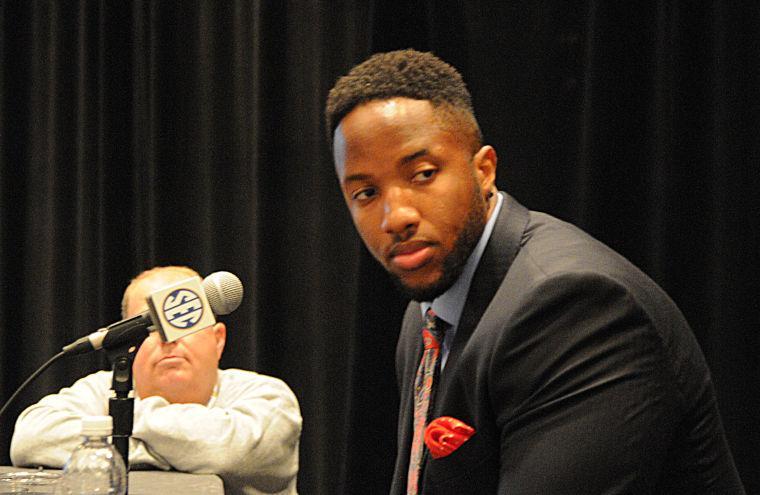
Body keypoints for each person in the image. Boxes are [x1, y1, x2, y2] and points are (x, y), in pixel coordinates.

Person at [325, 49, 745, 494]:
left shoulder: (573, 307)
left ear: (484, 170)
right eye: (367, 192)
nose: (395, 216)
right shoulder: (429, 311)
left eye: (423, 174)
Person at [11, 266, 302, 495]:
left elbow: (230, 454)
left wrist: (116, 434)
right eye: (150, 326)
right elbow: (28, 439)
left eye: (184, 318)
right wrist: (187, 450)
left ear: (218, 339)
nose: (167, 338)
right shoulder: (102, 388)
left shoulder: (268, 396)